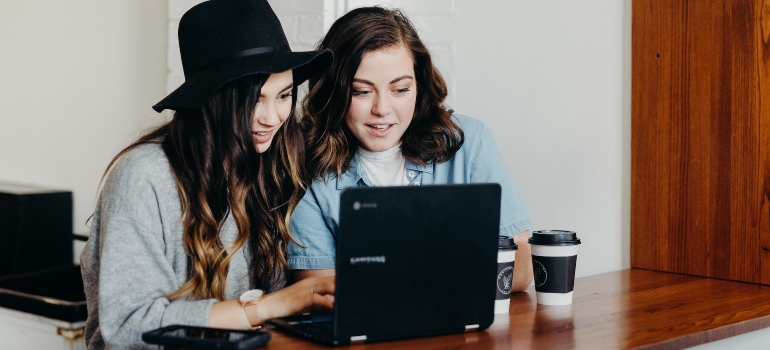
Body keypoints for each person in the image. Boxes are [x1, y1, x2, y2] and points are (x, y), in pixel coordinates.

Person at [80, 1, 335, 348]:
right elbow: (127, 327)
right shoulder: (144, 176)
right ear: (213, 99)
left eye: (285, 95)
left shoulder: (270, 165)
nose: (272, 117)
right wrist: (269, 305)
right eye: (255, 99)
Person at [288, 6, 534, 292]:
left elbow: (521, 268)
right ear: (334, 92)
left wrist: (396, 279)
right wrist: (451, 267)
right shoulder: (306, 166)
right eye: (361, 91)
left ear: (419, 86)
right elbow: (318, 292)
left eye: (400, 89)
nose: (382, 109)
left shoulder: (469, 142)